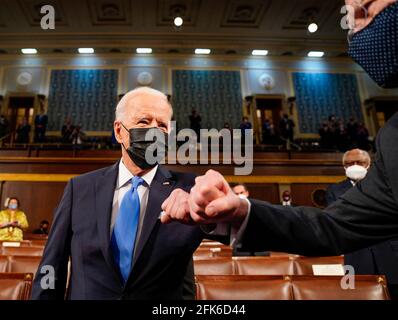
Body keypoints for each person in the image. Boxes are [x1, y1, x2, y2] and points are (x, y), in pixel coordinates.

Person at [160, 0, 398, 265]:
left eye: (366, 7)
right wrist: (237, 212)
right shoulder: (392, 137)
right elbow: (331, 226)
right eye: (352, 18)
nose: (355, 29)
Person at [31, 87, 223, 300]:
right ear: (119, 131)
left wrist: (214, 213)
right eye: (143, 121)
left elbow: (239, 231)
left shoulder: (188, 189)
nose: (154, 131)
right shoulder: (80, 189)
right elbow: (51, 266)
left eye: (162, 125)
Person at [326, 148, 398, 300]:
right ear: (344, 166)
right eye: (350, 163)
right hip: (355, 255)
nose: (355, 166)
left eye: (360, 162)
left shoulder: (388, 186)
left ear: (369, 164)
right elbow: (337, 219)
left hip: (389, 252)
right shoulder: (334, 189)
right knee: (356, 293)